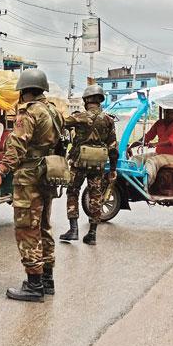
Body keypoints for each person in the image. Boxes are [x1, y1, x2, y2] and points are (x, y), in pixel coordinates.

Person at [0, 68, 63, 302]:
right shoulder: (54, 112)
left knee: (27, 229)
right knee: (44, 227)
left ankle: (34, 285)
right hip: (47, 173)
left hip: (29, 177)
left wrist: (0, 171)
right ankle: (47, 280)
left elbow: (16, 146)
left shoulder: (28, 113)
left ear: (24, 91)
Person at [60, 84, 118, 247]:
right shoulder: (108, 120)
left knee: (73, 191)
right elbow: (113, 147)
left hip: (79, 162)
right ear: (100, 100)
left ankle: (73, 229)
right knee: (95, 196)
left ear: (86, 100)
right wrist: (113, 169)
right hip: (98, 164)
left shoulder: (80, 117)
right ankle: (92, 234)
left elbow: (62, 123)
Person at [133, 108, 173, 187]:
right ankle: (132, 179)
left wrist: (155, 144)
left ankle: (146, 185)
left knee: (151, 161)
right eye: (166, 112)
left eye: (171, 112)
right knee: (136, 158)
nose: (168, 114)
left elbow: (170, 141)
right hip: (159, 153)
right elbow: (147, 137)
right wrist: (132, 145)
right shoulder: (159, 123)